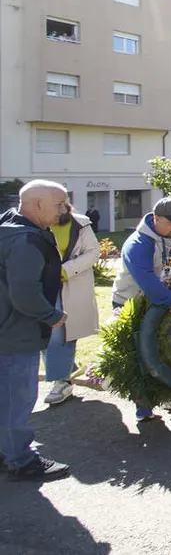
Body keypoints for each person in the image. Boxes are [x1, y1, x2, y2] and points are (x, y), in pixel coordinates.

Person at [111, 196, 171, 422]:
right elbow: (147, 281)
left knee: (170, 348)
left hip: (170, 302)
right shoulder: (138, 243)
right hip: (132, 303)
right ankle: (143, 404)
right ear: (156, 219)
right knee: (140, 355)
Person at [0, 180, 71, 480]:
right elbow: (24, 293)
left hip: (7, 328)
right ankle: (21, 460)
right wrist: (50, 315)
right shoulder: (25, 242)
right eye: (59, 204)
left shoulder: (9, 227)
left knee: (6, 398)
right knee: (17, 399)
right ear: (37, 204)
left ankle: (7, 453)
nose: (64, 210)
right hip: (17, 333)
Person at [42, 202, 100, 406]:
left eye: (63, 205)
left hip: (70, 285)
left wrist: (65, 271)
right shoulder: (36, 224)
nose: (60, 210)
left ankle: (61, 381)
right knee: (46, 331)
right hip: (42, 286)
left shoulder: (81, 224)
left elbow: (93, 252)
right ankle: (64, 369)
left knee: (62, 330)